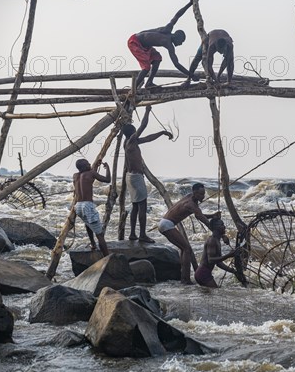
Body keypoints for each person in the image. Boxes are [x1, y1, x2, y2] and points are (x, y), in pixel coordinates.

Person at [122, 105, 173, 243]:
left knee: (135, 206)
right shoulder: (131, 141)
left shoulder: (130, 142)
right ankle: (142, 235)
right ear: (132, 133)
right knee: (142, 206)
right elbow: (143, 126)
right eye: (134, 131)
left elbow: (148, 138)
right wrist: (147, 111)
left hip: (130, 176)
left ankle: (133, 234)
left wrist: (162, 133)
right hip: (136, 177)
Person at [158, 183, 221, 284]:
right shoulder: (191, 204)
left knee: (184, 249)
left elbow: (198, 215)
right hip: (167, 225)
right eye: (201, 194)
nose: (203, 196)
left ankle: (184, 276)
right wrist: (216, 231)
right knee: (187, 249)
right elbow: (202, 218)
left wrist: (212, 216)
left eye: (204, 194)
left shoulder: (189, 199)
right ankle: (185, 279)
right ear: (195, 193)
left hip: (165, 223)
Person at [128, 0, 196, 89]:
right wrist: (189, 4)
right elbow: (178, 15)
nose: (180, 44)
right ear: (177, 36)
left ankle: (149, 83)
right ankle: (133, 90)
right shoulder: (167, 30)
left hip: (146, 47)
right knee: (146, 67)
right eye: (181, 42)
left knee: (157, 58)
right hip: (135, 42)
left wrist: (190, 75)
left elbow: (177, 64)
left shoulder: (170, 46)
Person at [73, 158, 110, 256]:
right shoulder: (91, 173)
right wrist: (107, 168)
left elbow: (86, 177)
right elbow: (107, 180)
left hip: (78, 206)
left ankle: (93, 244)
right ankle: (107, 258)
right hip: (87, 205)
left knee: (87, 223)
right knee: (100, 235)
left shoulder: (75, 176)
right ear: (85, 167)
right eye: (88, 163)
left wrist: (95, 166)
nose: (90, 164)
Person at [195, 218, 238, 288]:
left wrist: (232, 271)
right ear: (216, 228)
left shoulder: (217, 240)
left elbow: (218, 263)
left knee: (210, 296)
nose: (224, 227)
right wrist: (229, 255)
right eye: (222, 225)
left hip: (203, 273)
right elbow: (211, 260)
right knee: (215, 293)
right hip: (203, 273)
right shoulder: (212, 241)